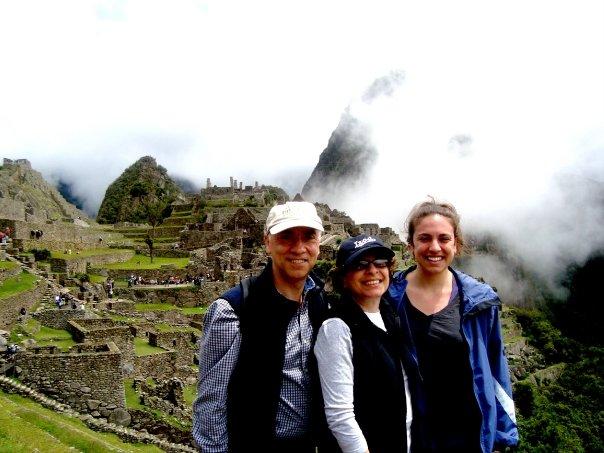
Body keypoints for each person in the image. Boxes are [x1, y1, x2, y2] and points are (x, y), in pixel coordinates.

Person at [193, 201, 331, 453]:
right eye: (286, 236)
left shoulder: (320, 302)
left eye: (308, 236)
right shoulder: (233, 310)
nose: (299, 248)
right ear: (267, 242)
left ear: (319, 244)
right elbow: (211, 401)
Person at [386, 199, 518, 453]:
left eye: (443, 239)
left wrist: (504, 438)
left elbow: (497, 372)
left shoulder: (479, 301)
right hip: (414, 436)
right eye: (424, 238)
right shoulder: (390, 300)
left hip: (470, 435)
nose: (434, 247)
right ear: (410, 245)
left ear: (456, 244)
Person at [314, 234, 413, 453]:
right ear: (344, 278)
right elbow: (340, 417)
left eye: (380, 263)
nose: (373, 271)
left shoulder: (390, 316)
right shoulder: (337, 328)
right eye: (360, 265)